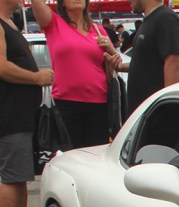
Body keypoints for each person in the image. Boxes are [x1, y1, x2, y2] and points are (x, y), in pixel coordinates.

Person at [0, 0, 54, 207]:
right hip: (8, 113)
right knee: (10, 176)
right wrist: (36, 77)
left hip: (21, 114)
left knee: (20, 176)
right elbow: (1, 67)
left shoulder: (11, 23)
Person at [32, 0, 119, 148]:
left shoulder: (98, 30)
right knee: (70, 157)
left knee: (96, 157)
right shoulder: (54, 23)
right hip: (66, 104)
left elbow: (114, 63)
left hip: (99, 105)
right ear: (62, 3)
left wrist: (112, 54)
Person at [110, 0, 179, 117]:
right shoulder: (149, 21)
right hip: (145, 113)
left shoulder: (166, 19)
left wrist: (168, 107)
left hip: (158, 116)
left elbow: (172, 62)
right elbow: (146, 63)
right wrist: (120, 66)